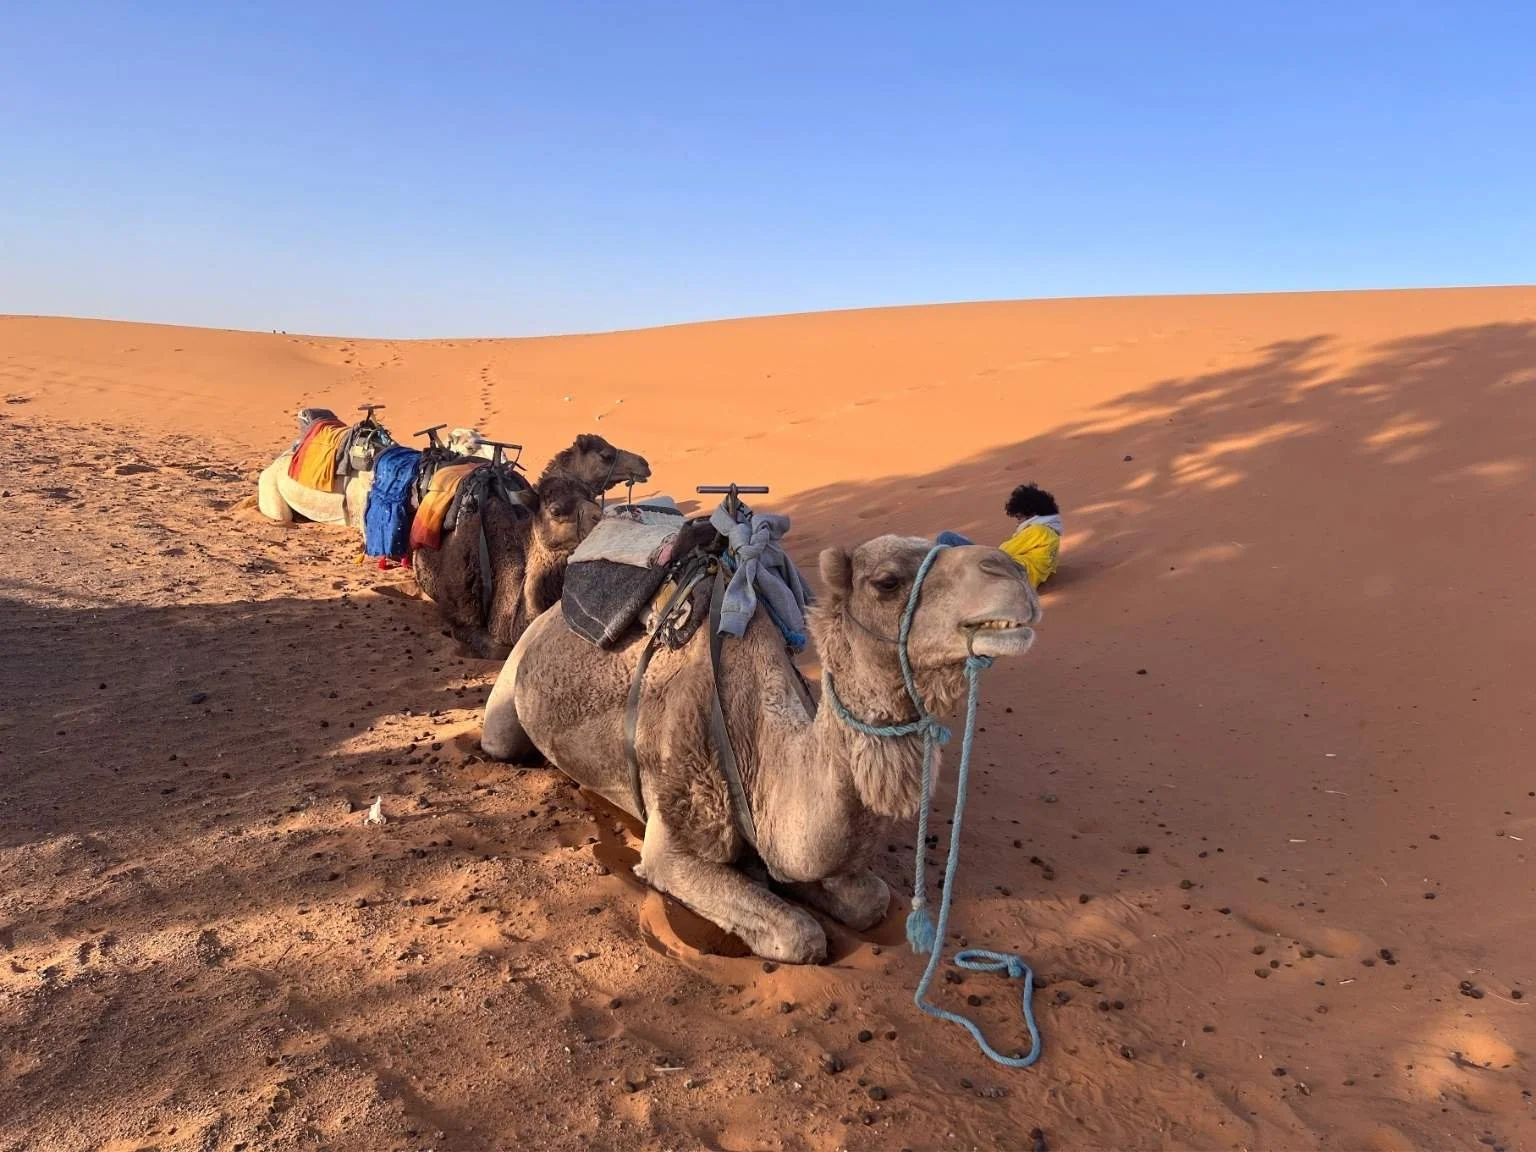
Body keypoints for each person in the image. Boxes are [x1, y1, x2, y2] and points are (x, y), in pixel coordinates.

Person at [1000, 483, 1061, 589]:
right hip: (1026, 580)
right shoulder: (1052, 533)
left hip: (1016, 576)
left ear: (1031, 514)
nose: (1017, 523)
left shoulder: (1036, 530)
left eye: (1019, 518)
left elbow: (1004, 551)